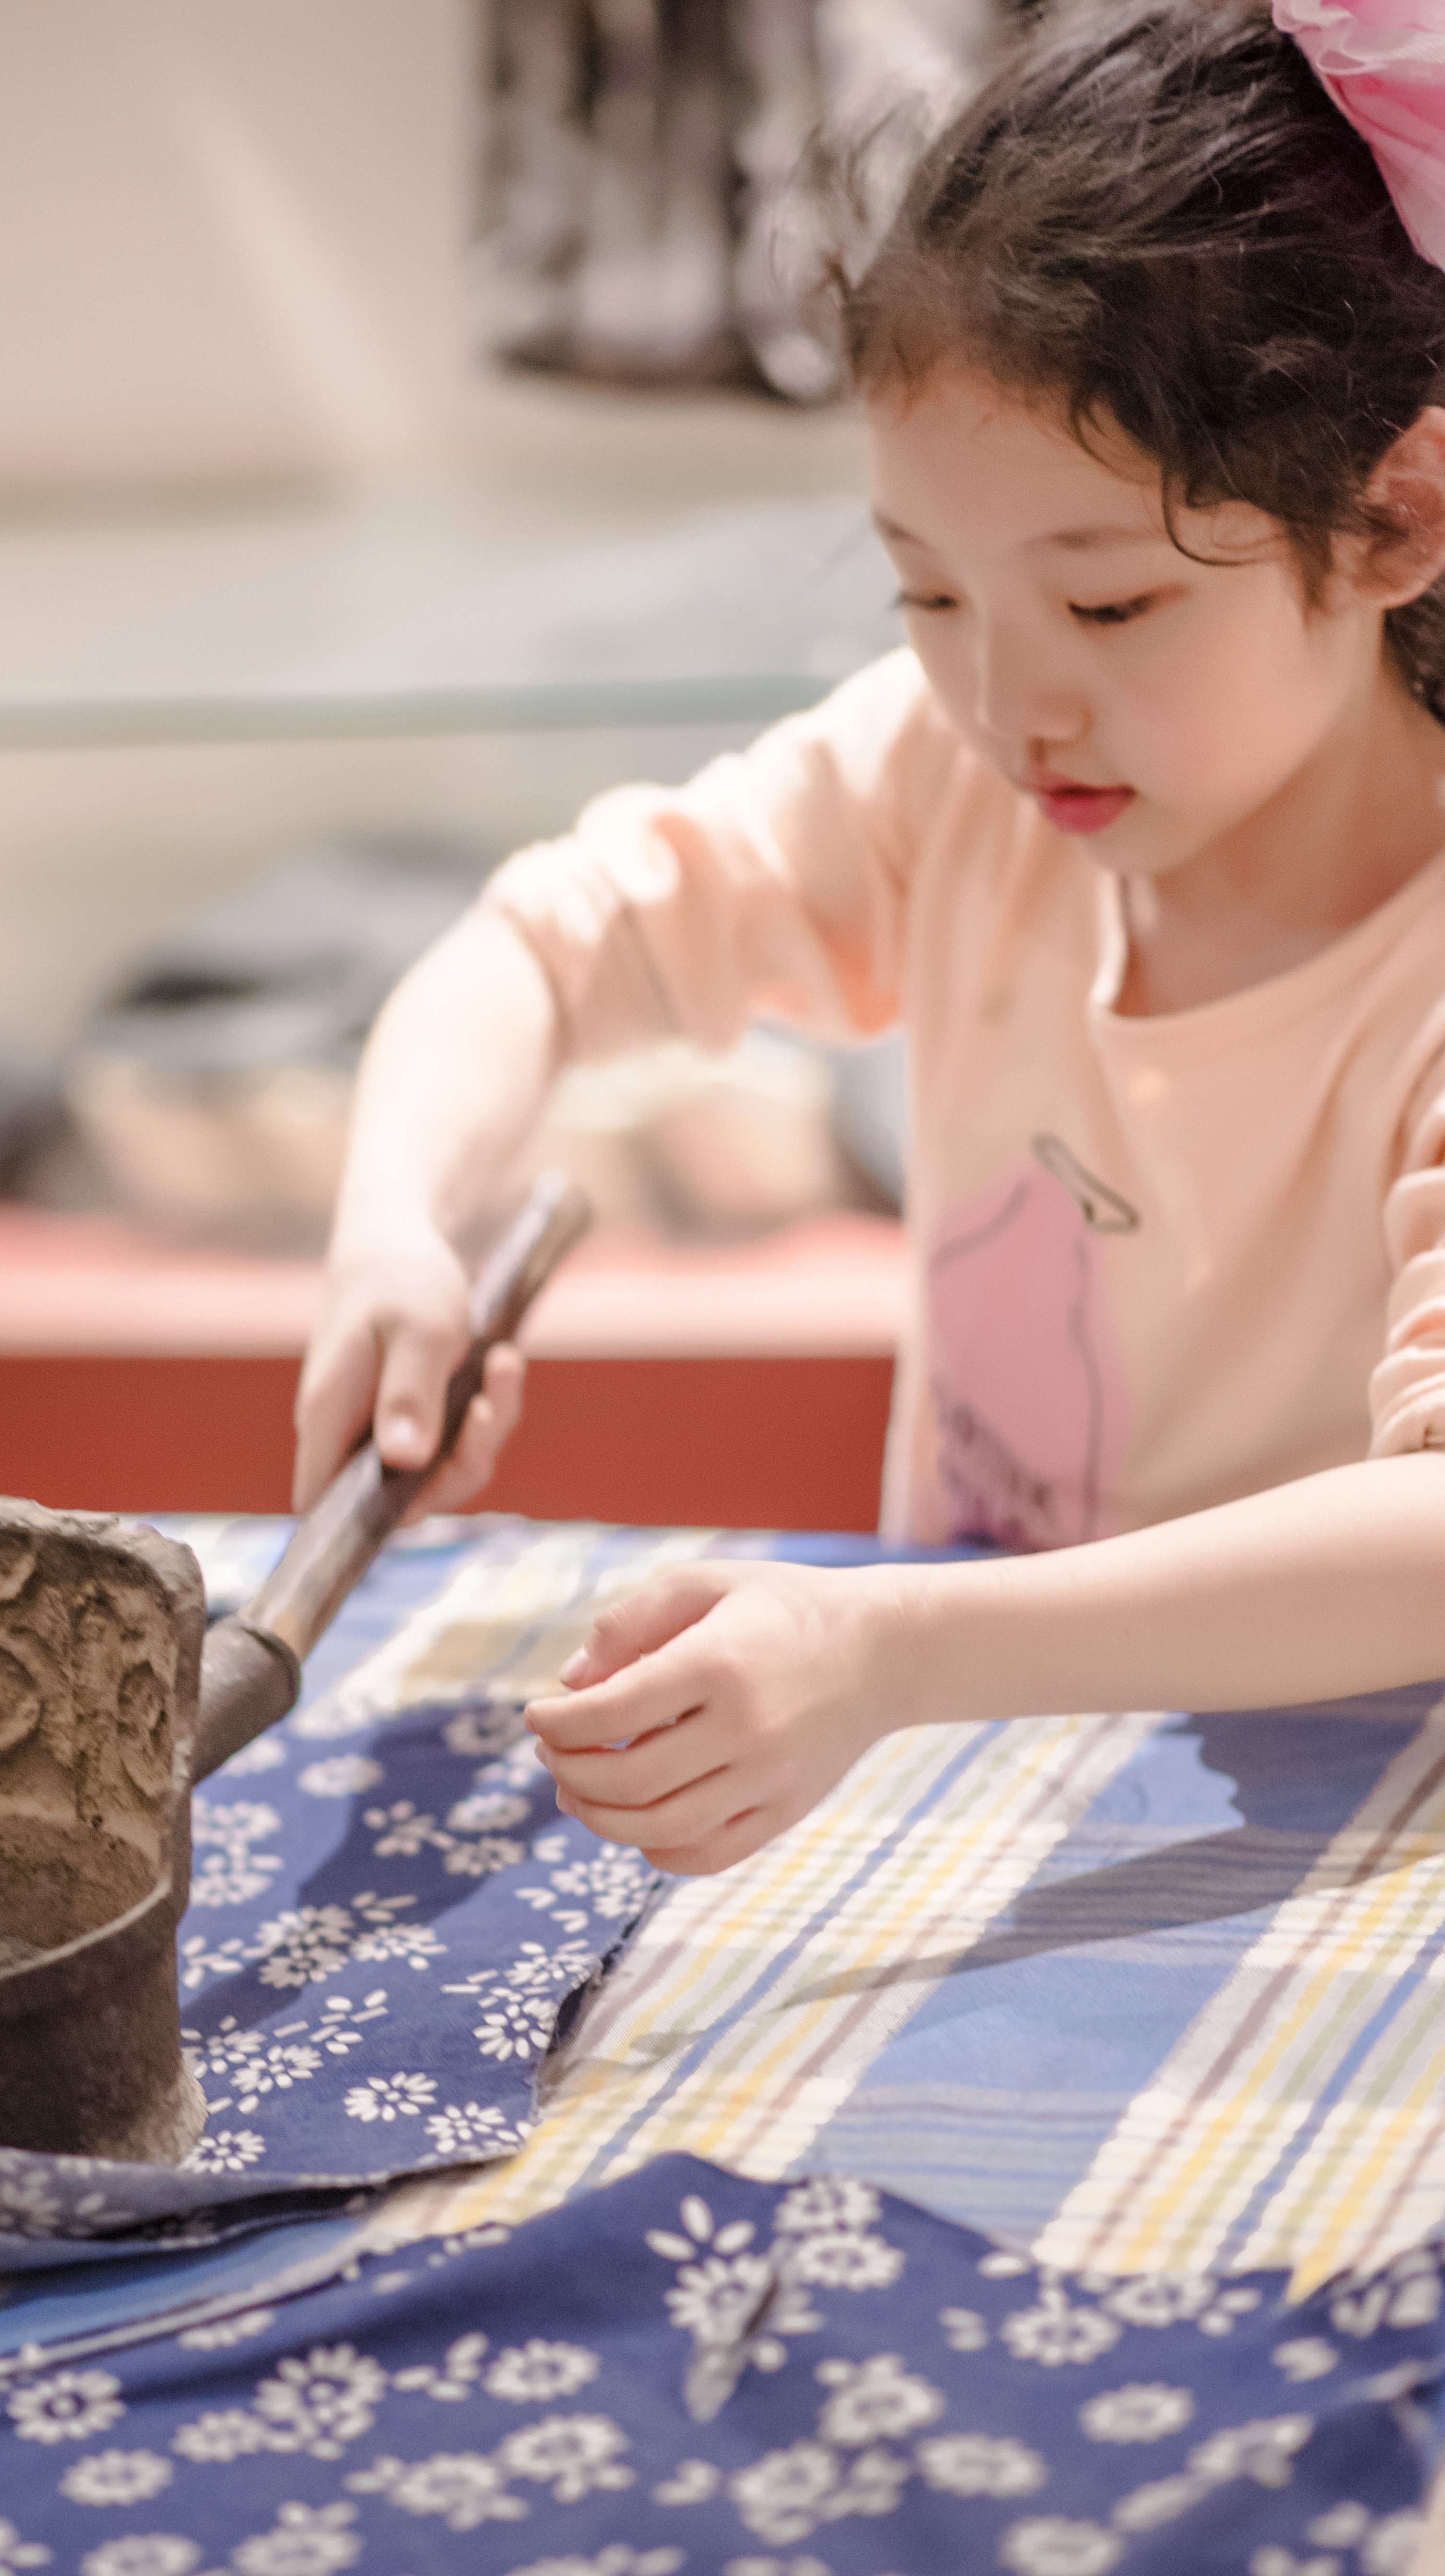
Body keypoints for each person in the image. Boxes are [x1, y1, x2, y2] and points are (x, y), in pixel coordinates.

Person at [293, 0, 1445, 1879]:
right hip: (974, 1807)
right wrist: (394, 1226)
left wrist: (887, 1642)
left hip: (1333, 1867)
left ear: (1391, 513)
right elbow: (540, 952)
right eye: (925, 589)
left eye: (1109, 600)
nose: (1012, 704)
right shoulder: (953, 779)